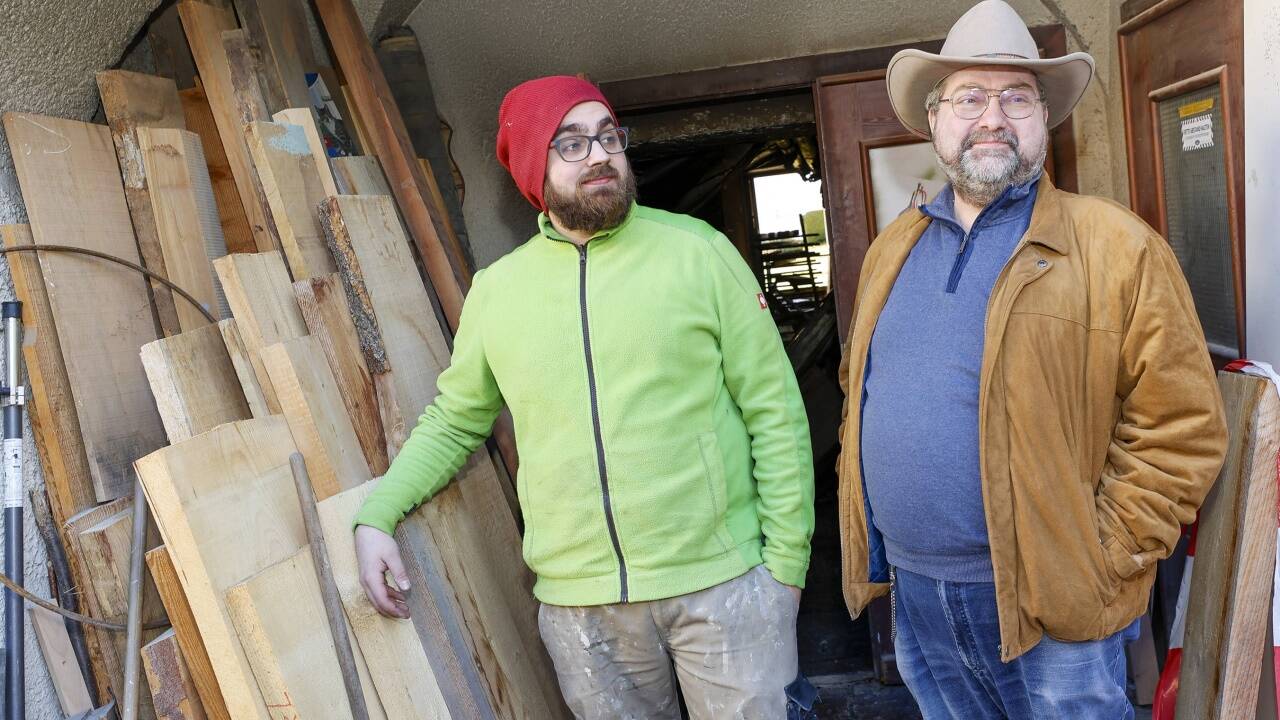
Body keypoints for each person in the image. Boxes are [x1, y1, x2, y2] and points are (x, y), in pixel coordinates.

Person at [353, 75, 817, 719]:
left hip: (723, 585)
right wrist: (378, 514)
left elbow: (776, 411)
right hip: (582, 609)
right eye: (570, 143)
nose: (599, 154)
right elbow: (456, 421)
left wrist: (786, 568)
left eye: (608, 137)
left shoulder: (699, 254)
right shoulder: (497, 292)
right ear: (530, 167)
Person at [837, 1, 1229, 717]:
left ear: (1043, 121)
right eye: (971, 97)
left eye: (1017, 97)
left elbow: (1184, 429)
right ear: (934, 120)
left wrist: (1097, 560)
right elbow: (859, 392)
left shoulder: (1117, 247)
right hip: (918, 594)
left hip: (1056, 607)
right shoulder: (891, 252)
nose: (993, 116)